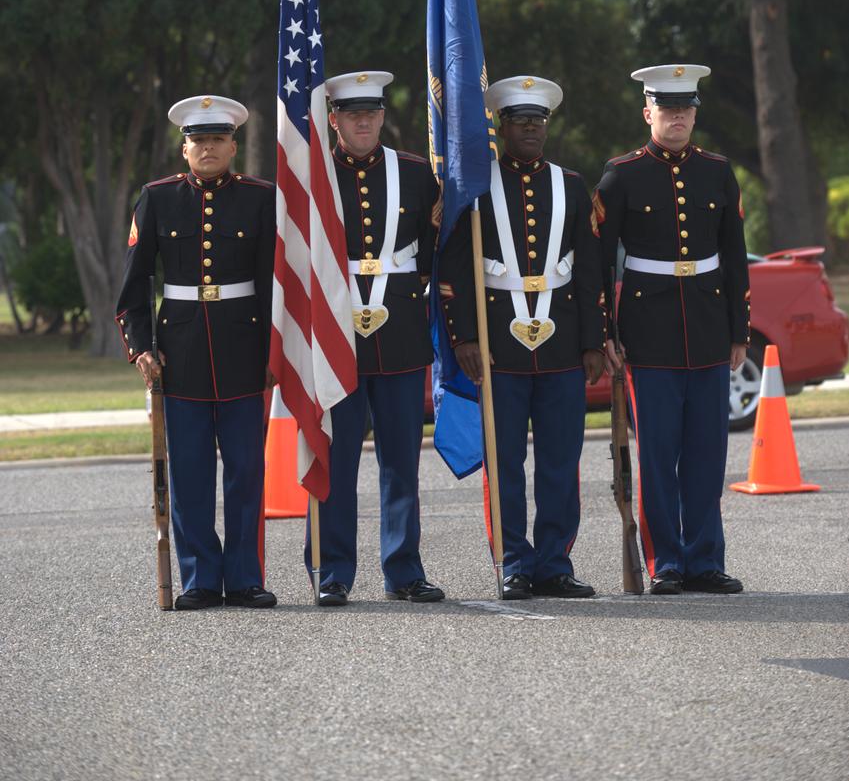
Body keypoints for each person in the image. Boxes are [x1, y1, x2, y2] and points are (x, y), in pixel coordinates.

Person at [439, 76, 607, 600]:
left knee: (560, 459)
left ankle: (555, 562)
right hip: (496, 346)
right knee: (504, 460)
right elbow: (456, 269)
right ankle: (513, 560)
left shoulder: (572, 185)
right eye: (520, 120)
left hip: (560, 345)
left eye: (538, 120)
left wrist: (593, 341)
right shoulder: (473, 186)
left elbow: (590, 271)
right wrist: (464, 335)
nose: (531, 128)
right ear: (500, 126)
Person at [116, 95, 277, 611]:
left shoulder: (260, 197)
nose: (207, 148)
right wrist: (141, 348)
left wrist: (278, 349)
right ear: (184, 148)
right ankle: (200, 579)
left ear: (233, 145)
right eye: (198, 140)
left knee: (247, 470)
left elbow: (277, 281)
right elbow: (134, 285)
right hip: (180, 351)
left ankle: (247, 577)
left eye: (217, 139)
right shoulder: (157, 198)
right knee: (188, 472)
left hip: (245, 349)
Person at [595, 64, 750, 595]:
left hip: (707, 326)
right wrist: (606, 331)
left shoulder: (718, 171)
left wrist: (739, 329)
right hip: (650, 329)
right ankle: (666, 562)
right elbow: (600, 263)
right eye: (668, 108)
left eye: (686, 108)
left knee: (708, 453)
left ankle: (705, 559)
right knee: (659, 455)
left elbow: (733, 256)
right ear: (648, 113)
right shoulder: (621, 174)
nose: (678, 116)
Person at [306, 70, 445, 607]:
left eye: (372, 112)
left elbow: (433, 251)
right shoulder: (315, 176)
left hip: (401, 333)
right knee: (336, 457)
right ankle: (332, 570)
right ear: (334, 119)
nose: (363, 121)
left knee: (401, 460)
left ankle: (404, 569)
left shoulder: (414, 174)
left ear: (383, 116)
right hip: (335, 337)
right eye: (352, 113)